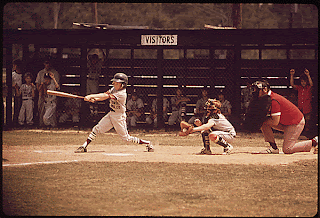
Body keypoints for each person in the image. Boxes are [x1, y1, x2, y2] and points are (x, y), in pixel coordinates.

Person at [75, 72, 154, 153]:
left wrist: (91, 96)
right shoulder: (114, 89)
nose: (115, 84)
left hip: (119, 117)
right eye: (114, 82)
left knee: (126, 139)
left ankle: (148, 143)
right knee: (96, 129)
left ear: (123, 84)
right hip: (111, 114)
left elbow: (107, 96)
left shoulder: (122, 94)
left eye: (117, 83)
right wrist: (95, 99)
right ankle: (84, 146)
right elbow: (105, 94)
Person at [251, 80, 318, 154]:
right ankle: (273, 148)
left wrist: (260, 120)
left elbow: (275, 122)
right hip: (287, 122)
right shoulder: (266, 98)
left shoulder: (273, 99)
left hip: (296, 123)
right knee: (263, 123)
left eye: (257, 89)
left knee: (287, 149)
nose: (255, 92)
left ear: (265, 89)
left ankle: (315, 141)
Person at [35, 58, 60, 127]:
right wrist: (42, 87)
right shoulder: (40, 73)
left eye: (49, 63)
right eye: (46, 63)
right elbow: (37, 86)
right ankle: (42, 126)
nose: (47, 65)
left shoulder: (55, 73)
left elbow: (57, 86)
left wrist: (53, 78)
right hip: (43, 97)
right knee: (42, 113)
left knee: (51, 116)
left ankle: (53, 127)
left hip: (52, 99)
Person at [87, 50, 105, 116]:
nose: (93, 61)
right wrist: (89, 50)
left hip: (95, 80)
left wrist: (101, 50)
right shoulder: (89, 64)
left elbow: (103, 58)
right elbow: (87, 57)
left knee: (94, 95)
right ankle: (91, 110)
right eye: (93, 59)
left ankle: (96, 110)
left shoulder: (98, 64)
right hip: (89, 80)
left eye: (95, 59)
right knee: (88, 95)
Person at [12, 59, 23, 127]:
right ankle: (15, 121)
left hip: (23, 92)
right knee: (16, 107)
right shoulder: (13, 74)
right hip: (15, 93)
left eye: (14, 65)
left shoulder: (23, 74)